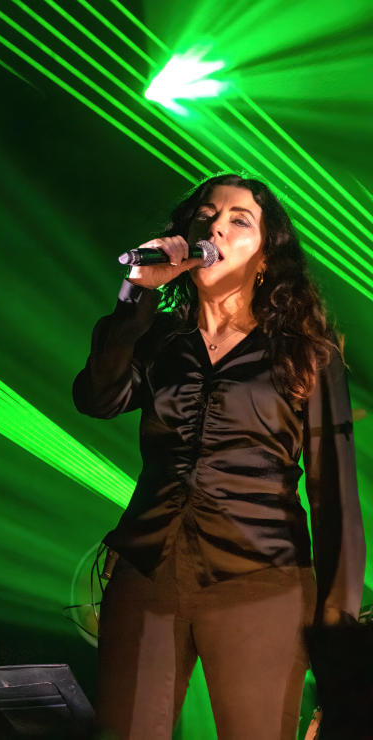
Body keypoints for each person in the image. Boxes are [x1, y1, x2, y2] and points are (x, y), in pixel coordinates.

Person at [73, 173, 365, 738]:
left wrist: (339, 628)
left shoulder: (306, 351)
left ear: (264, 257)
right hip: (148, 567)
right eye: (206, 216)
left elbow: (335, 496)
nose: (216, 228)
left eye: (239, 221)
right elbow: (97, 397)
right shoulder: (157, 338)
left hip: (261, 577)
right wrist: (137, 292)